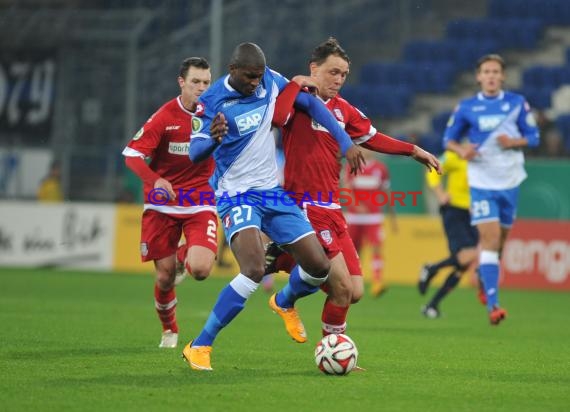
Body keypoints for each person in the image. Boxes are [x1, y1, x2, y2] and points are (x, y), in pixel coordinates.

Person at [182, 42, 365, 371]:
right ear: (233, 71)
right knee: (252, 269)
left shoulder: (270, 79)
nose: (256, 83)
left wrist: (345, 141)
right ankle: (200, 344)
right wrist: (213, 138)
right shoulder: (210, 102)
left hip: (272, 193)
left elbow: (310, 103)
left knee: (318, 266)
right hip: (236, 194)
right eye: (250, 77)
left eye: (259, 77)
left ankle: (283, 301)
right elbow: (195, 153)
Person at [267, 37, 440, 340]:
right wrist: (295, 83)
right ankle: (328, 346)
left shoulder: (343, 110)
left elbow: (373, 138)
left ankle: (283, 268)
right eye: (333, 72)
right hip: (305, 207)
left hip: (333, 209)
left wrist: (414, 150)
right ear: (314, 69)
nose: (339, 80)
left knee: (355, 291)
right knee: (342, 287)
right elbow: (277, 117)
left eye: (344, 74)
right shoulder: (297, 100)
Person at [122, 57, 218, 348]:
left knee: (200, 269)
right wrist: (155, 180)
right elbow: (132, 155)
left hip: (200, 201)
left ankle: (182, 257)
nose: (201, 88)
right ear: (181, 83)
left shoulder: (217, 114)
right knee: (164, 279)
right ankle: (170, 330)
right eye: (195, 82)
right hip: (162, 204)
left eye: (205, 82)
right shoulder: (165, 116)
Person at [444, 54, 540, 325]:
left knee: (499, 244)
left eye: (496, 71)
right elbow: (448, 140)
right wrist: (463, 150)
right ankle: (494, 305)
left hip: (510, 182)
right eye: (486, 71)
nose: (491, 76)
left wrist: (514, 141)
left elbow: (534, 137)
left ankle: (484, 282)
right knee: (489, 240)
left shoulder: (517, 104)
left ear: (503, 76)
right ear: (478, 77)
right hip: (482, 183)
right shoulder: (466, 107)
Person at [417, 149, 481, 318]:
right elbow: (432, 171)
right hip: (454, 211)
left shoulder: (483, 160)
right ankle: (431, 268)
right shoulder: (455, 156)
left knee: (463, 266)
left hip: (472, 213)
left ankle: (432, 305)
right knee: (468, 255)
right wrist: (440, 194)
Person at [343, 150, 397, 297]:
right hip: (354, 217)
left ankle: (377, 282)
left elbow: (386, 192)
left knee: (376, 248)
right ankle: (351, 282)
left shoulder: (381, 168)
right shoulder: (352, 166)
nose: (367, 150)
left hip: (373, 217)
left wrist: (392, 216)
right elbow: (347, 189)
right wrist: (356, 205)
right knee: (354, 252)